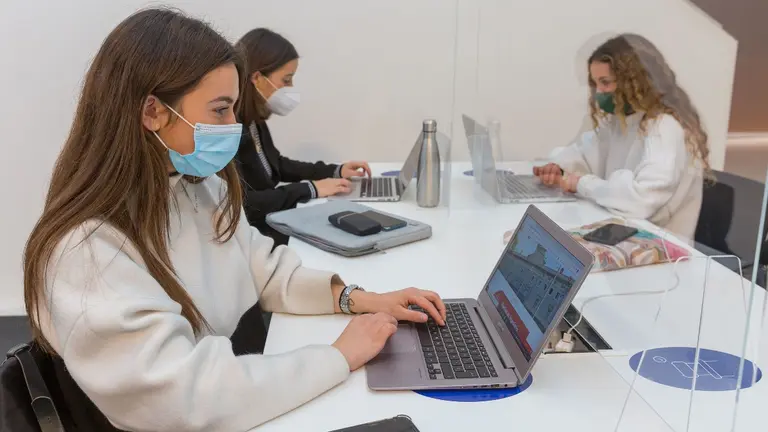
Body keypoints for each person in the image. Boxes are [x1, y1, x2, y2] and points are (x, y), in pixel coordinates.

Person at [22, 9, 446, 431]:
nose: (235, 126)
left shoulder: (198, 187)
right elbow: (182, 396)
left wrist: (360, 298)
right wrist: (338, 356)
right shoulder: (87, 248)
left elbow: (264, 271)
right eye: (221, 110)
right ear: (153, 112)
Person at [534, 33, 709, 240]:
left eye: (605, 82)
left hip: (664, 252)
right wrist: (559, 167)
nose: (599, 92)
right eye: (596, 83)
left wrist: (581, 183)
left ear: (635, 81)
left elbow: (641, 199)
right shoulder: (622, 120)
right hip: (625, 234)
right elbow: (583, 153)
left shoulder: (665, 127)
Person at [235, 28, 371, 246]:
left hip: (272, 221)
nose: (291, 88)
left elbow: (276, 164)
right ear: (257, 78)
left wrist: (334, 170)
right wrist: (311, 188)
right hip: (257, 237)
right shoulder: (229, 129)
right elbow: (244, 204)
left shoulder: (253, 120)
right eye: (286, 80)